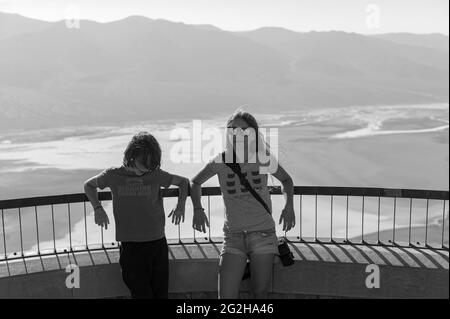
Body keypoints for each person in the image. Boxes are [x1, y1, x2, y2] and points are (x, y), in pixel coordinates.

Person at [190, 110, 295, 299]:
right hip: (233, 236)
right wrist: (198, 209)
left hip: (263, 233)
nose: (237, 134)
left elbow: (286, 180)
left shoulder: (262, 158)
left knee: (260, 293)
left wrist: (289, 207)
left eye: (243, 130)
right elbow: (195, 182)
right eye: (232, 130)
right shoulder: (221, 160)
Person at [84, 131, 189, 299]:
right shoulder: (112, 175)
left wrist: (180, 207)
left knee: (160, 295)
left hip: (157, 244)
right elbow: (88, 185)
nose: (146, 169)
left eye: (150, 165)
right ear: (132, 156)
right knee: (142, 295)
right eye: (143, 164)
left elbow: (184, 182)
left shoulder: (154, 174)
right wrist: (98, 209)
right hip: (131, 248)